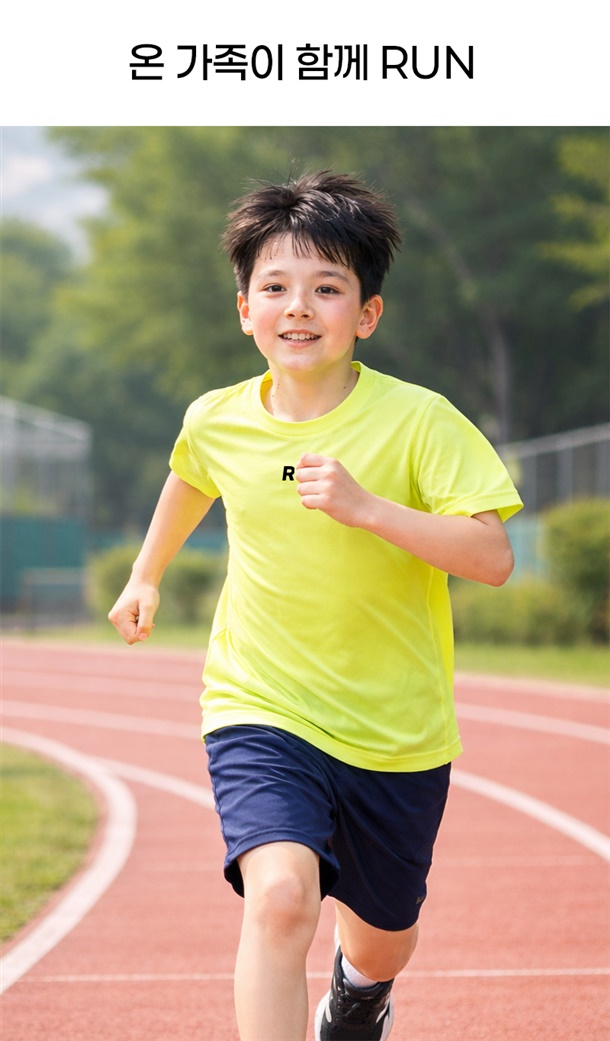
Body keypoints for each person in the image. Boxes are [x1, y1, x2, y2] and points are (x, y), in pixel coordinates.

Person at [109, 170, 523, 1041]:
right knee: (281, 897)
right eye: (275, 287)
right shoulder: (217, 418)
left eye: (327, 288)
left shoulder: (421, 421)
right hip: (260, 703)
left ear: (367, 313)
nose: (298, 307)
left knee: (383, 938)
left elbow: (492, 557)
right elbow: (191, 477)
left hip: (394, 730)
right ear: (245, 310)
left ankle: (361, 991)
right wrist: (145, 575)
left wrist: (370, 509)